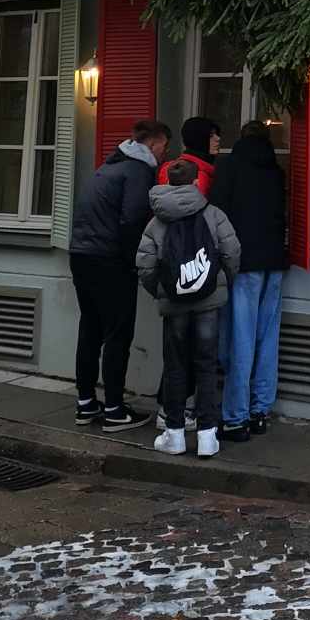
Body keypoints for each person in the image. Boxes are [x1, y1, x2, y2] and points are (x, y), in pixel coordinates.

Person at [69, 118, 171, 429]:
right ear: (152, 143)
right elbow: (132, 219)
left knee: (90, 329)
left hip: (81, 254)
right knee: (118, 334)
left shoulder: (108, 166)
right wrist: (135, 261)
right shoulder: (138, 171)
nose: (165, 155)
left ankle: (86, 403)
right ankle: (114, 409)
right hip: (110, 260)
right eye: (164, 147)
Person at [135, 159, 241, 458]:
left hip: (175, 303)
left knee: (175, 366)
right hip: (209, 301)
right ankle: (207, 436)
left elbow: (145, 266)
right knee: (206, 365)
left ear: (168, 182)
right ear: (196, 183)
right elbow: (232, 253)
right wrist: (220, 283)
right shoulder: (214, 214)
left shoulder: (156, 221)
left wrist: (163, 290)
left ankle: (175, 435)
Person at [210, 120, 289, 443]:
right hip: (275, 260)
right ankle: (260, 411)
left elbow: (217, 215)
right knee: (268, 337)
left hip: (243, 263)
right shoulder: (276, 170)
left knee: (239, 339)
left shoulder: (230, 167)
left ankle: (235, 417)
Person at [152, 115, 223, 430]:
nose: (218, 140)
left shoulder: (170, 169)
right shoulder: (199, 176)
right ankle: (179, 412)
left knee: (176, 347)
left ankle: (168, 410)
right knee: (194, 350)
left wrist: (157, 281)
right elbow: (202, 229)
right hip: (196, 271)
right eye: (213, 134)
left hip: (171, 273)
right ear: (201, 139)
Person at [158, 116, 222, 194]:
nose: (218, 138)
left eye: (217, 134)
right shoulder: (197, 175)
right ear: (198, 139)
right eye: (211, 135)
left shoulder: (171, 167)